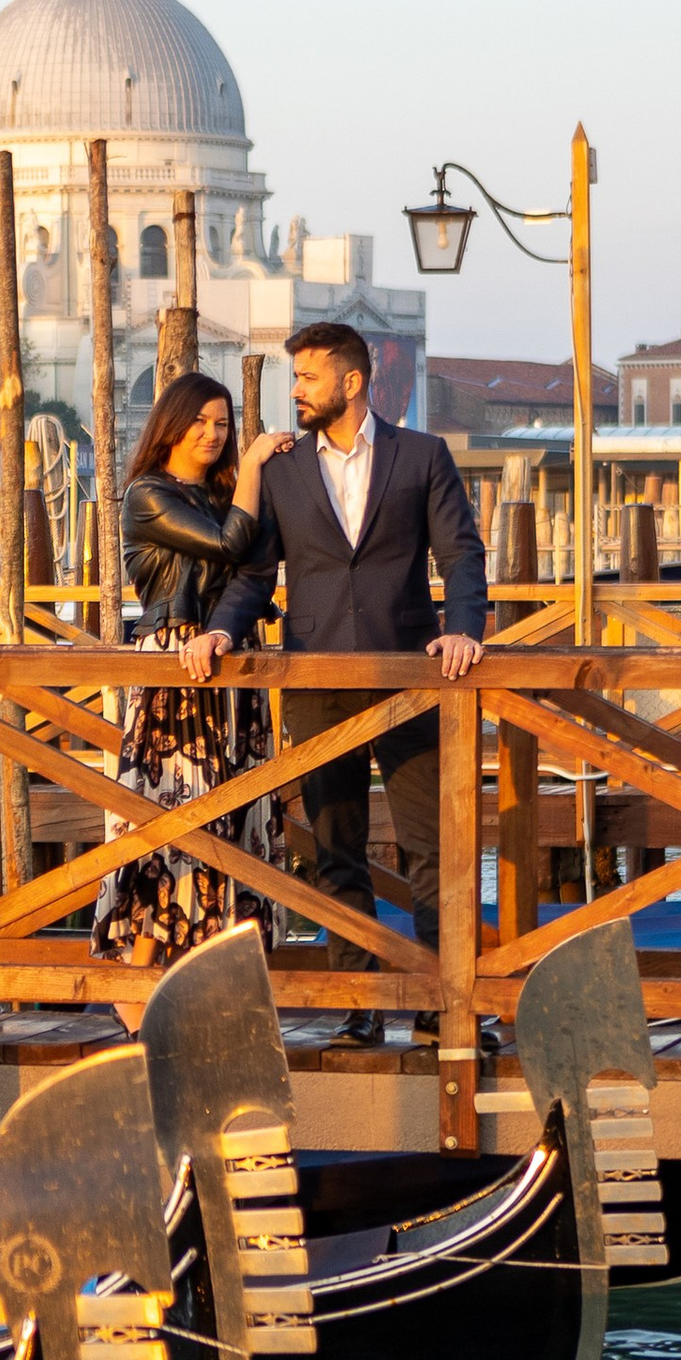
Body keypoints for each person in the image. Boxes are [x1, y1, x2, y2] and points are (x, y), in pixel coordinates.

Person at [189, 320, 487, 1042]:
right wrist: (224, 627)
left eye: (309, 378)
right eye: (295, 378)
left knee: (433, 847)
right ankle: (360, 1006)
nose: (296, 391)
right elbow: (257, 574)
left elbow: (463, 555)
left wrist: (465, 628)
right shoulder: (285, 469)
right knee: (333, 846)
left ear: (352, 384)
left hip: (413, 679)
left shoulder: (422, 456)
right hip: (317, 680)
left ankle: (443, 1007)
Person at [91, 373, 298, 966]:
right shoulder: (148, 494)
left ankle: (215, 982)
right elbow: (231, 545)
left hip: (233, 664)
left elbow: (256, 572)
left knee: (238, 820)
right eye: (201, 421)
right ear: (172, 425)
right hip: (175, 668)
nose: (213, 434)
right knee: (172, 824)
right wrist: (257, 461)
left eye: (223, 424)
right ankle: (137, 995)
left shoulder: (228, 491)